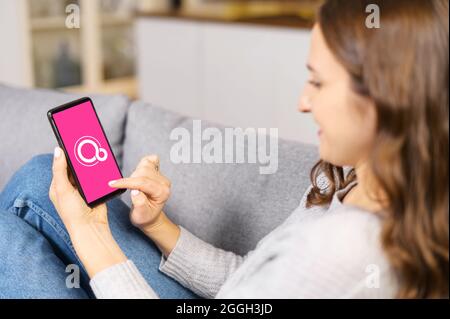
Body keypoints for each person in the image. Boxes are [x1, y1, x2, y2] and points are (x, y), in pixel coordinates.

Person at [0, 0, 448, 298]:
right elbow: (248, 283)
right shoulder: (341, 177)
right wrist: (159, 228)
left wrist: (93, 237)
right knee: (43, 175)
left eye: (317, 81)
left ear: (384, 99)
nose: (302, 102)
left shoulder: (345, 251)